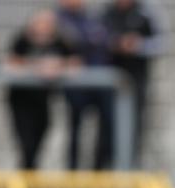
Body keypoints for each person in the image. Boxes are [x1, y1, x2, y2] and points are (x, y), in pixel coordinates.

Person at [7, 10, 78, 170]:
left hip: (44, 100)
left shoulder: (59, 42)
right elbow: (12, 61)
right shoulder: (23, 40)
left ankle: (31, 176)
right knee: (27, 143)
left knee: (41, 136)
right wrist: (37, 66)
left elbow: (75, 61)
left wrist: (58, 65)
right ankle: (26, 177)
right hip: (22, 101)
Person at [102, 0, 163, 167]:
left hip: (137, 82)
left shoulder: (146, 13)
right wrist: (115, 44)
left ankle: (130, 167)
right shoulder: (106, 13)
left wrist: (138, 45)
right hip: (108, 86)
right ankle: (106, 169)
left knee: (134, 129)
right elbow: (96, 40)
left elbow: (161, 43)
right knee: (106, 129)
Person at [58, 0, 113, 170]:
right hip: (75, 89)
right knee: (74, 131)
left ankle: (99, 170)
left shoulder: (93, 18)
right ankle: (72, 171)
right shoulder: (58, 20)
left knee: (105, 130)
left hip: (99, 86)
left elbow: (103, 42)